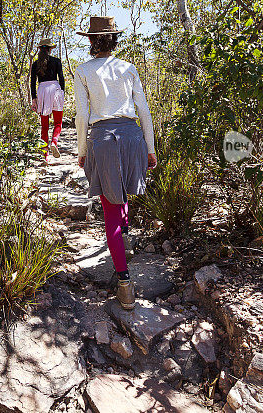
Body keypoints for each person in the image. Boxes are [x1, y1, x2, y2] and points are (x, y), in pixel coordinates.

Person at [74, 16, 157, 310]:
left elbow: (82, 116)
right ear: (114, 40)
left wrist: (82, 151)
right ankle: (125, 243)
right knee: (120, 194)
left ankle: (124, 284)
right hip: (133, 135)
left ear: (91, 40)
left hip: (104, 138)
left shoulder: (83, 71)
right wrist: (150, 146)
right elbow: (143, 109)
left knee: (110, 208)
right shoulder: (128, 68)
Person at [30, 38, 65, 161]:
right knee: (58, 122)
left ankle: (45, 155)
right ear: (50, 49)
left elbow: (32, 82)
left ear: (39, 49)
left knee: (44, 126)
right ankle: (54, 142)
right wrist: (62, 93)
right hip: (55, 89)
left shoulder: (35, 64)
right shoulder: (56, 61)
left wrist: (34, 98)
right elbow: (61, 78)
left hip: (42, 91)